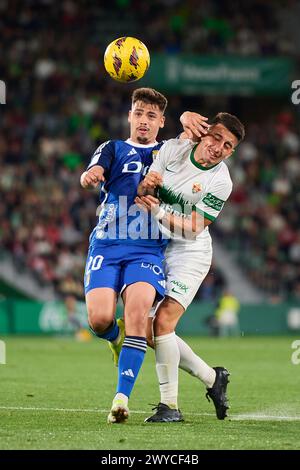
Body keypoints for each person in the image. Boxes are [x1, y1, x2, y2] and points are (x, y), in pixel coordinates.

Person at [80, 88, 207, 424]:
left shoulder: (168, 153)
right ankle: (113, 337)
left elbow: (193, 147)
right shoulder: (112, 148)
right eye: (139, 113)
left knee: (139, 316)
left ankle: (121, 400)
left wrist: (185, 118)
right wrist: (88, 176)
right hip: (106, 246)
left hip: (146, 249)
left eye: (152, 116)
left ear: (160, 122)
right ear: (129, 117)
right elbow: (90, 173)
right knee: (99, 320)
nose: (144, 121)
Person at [135, 112, 245, 422]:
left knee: (164, 322)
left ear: (231, 152)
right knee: (146, 329)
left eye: (228, 145)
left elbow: (194, 228)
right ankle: (213, 378)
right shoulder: (173, 149)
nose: (219, 147)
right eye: (216, 137)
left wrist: (156, 210)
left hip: (190, 252)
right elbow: (147, 187)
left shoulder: (221, 180)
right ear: (204, 133)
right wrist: (147, 187)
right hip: (158, 245)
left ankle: (170, 407)